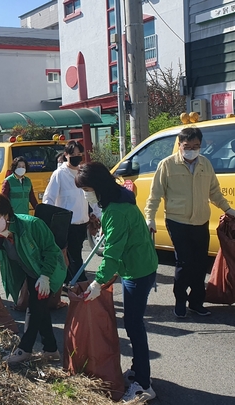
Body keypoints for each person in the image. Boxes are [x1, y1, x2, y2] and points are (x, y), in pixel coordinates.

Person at [75, 162, 158, 401]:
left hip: (138, 270)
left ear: (98, 186)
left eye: (87, 189)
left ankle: (143, 384)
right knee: (133, 322)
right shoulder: (119, 200)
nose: (85, 194)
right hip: (139, 264)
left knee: (133, 324)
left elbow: (112, 253)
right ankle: (139, 369)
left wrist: (97, 283)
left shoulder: (116, 211)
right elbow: (116, 240)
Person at [0, 194, 66, 364]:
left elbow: (51, 251)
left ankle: (24, 350)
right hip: (31, 272)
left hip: (49, 271)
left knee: (35, 307)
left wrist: (45, 276)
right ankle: (51, 350)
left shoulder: (31, 225)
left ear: (7, 215)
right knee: (41, 310)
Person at [145, 126, 235, 318]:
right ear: (180, 145)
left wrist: (228, 209)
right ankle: (180, 300)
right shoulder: (167, 165)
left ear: (200, 145)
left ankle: (196, 302)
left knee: (200, 263)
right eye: (187, 146)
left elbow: (214, 192)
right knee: (184, 262)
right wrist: (150, 218)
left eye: (196, 146)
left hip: (201, 220)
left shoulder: (205, 164)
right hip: (177, 221)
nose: (192, 149)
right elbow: (155, 195)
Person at [43, 140, 101, 284]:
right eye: (73, 154)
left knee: (75, 253)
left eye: (79, 154)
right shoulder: (59, 175)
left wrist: (99, 215)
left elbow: (91, 197)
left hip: (81, 221)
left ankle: (70, 282)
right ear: (65, 155)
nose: (76, 157)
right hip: (65, 224)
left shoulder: (83, 173)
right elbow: (49, 198)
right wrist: (47, 220)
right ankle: (78, 281)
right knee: (70, 255)